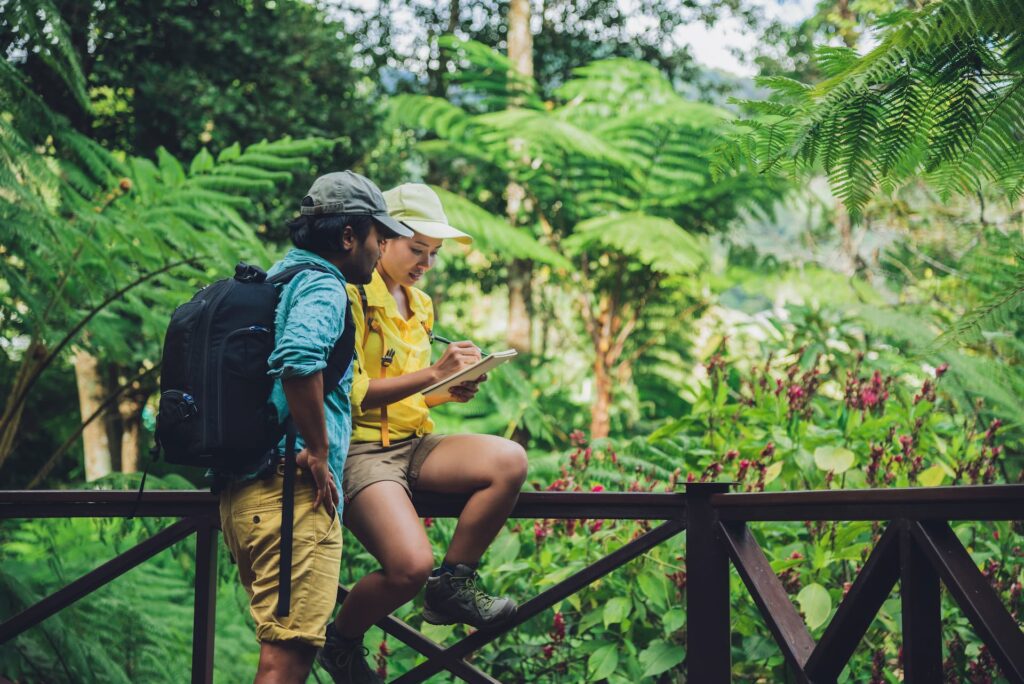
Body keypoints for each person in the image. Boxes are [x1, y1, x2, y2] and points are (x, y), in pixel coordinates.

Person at [317, 184, 529, 683]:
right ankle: (341, 643)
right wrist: (434, 375)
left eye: (432, 254)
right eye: (417, 250)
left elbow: (407, 395)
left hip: (415, 445)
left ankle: (452, 584)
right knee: (409, 565)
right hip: (361, 452)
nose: (426, 264)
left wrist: (447, 391)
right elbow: (350, 393)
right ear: (382, 238)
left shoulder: (421, 303)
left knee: (509, 461)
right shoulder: (349, 295)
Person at [218, 171, 414, 684]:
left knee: (283, 651)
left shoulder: (280, 276)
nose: (381, 249)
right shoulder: (324, 287)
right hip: (292, 495)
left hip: (250, 492)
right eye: (379, 236)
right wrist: (320, 449)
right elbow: (300, 360)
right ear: (348, 236)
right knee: (288, 660)